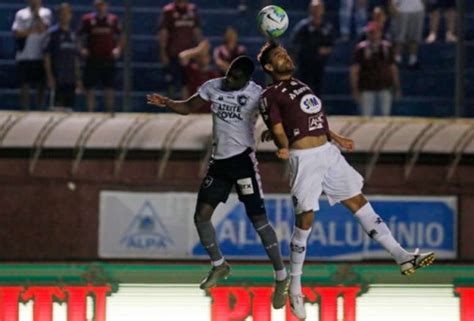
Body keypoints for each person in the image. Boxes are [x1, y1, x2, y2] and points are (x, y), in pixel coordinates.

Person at [257, 41, 435, 319]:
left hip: (328, 154)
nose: (285, 57)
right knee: (305, 221)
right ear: (269, 67)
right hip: (304, 160)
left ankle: (401, 256)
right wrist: (281, 143)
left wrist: (337, 138)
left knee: (359, 202)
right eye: (279, 56)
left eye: (286, 53)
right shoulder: (269, 94)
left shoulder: (302, 85)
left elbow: (315, 118)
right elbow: (277, 126)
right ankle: (295, 286)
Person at [146, 56, 290, 309]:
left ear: (247, 79)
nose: (229, 80)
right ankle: (219, 265)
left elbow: (280, 116)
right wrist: (168, 103)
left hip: (243, 163)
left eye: (235, 78)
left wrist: (273, 130)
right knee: (201, 216)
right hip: (220, 163)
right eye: (229, 74)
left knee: (259, 221)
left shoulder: (258, 94)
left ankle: (281, 276)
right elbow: (189, 107)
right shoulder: (213, 86)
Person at [78, 0, 124, 112]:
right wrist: (82, 49)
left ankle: (109, 111)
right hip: (92, 58)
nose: (101, 7)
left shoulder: (113, 19)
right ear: (94, 5)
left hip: (108, 58)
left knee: (109, 86)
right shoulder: (87, 19)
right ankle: (90, 111)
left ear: (107, 5)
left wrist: (118, 49)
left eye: (103, 4)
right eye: (98, 4)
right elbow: (79, 35)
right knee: (90, 87)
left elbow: (121, 36)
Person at [350, 21, 400, 116]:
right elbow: (354, 71)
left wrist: (396, 87)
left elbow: (393, 68)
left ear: (380, 33)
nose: (373, 35)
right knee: (366, 117)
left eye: (375, 32)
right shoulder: (361, 49)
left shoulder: (387, 47)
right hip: (367, 89)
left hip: (384, 88)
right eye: (370, 32)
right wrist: (355, 90)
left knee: (385, 117)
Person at [12, 0, 52, 110]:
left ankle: (40, 108)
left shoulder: (46, 12)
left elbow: (44, 28)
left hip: (39, 54)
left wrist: (37, 14)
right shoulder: (21, 14)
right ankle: (25, 108)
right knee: (24, 84)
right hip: (24, 54)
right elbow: (17, 32)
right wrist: (33, 30)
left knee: (41, 85)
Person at [159, 0, 202, 99]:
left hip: (189, 53)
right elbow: (163, 33)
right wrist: (163, 52)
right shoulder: (168, 11)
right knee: (172, 81)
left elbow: (197, 31)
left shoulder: (192, 10)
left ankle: (185, 106)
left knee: (187, 81)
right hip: (173, 53)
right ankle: (171, 106)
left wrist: (199, 49)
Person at [290, 0, 334, 96]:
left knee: (317, 93)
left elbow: (331, 46)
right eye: (314, 9)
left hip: (319, 67)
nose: (316, 11)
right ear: (310, 10)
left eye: (318, 9)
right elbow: (293, 44)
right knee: (301, 92)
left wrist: (325, 50)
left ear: (323, 10)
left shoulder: (327, 27)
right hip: (303, 66)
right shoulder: (302, 27)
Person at [44, 3, 81, 109]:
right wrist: (49, 76)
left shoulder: (73, 34)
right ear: (58, 15)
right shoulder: (52, 33)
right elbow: (47, 56)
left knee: (69, 109)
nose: (65, 16)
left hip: (70, 78)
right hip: (57, 77)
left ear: (70, 15)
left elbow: (76, 58)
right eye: (62, 13)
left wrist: (78, 78)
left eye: (67, 13)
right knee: (57, 108)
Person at [179, 40, 219, 112]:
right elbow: (182, 57)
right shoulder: (191, 70)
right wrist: (198, 50)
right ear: (196, 58)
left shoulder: (213, 75)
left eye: (205, 56)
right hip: (193, 113)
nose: (203, 59)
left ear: (209, 58)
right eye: (200, 56)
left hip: (208, 114)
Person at [389, 0, 424, 68]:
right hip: (401, 10)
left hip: (418, 10)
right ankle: (397, 59)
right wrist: (393, 6)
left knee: (415, 37)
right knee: (399, 37)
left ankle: (412, 60)